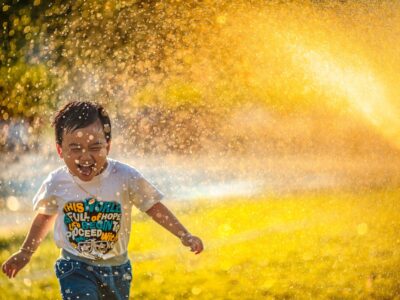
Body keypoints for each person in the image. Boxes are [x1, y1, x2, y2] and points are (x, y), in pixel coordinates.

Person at [1, 101, 204, 299]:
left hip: (117, 269)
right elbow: (45, 217)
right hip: (75, 266)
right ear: (60, 150)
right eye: (75, 148)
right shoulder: (57, 182)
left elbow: (153, 206)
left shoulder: (125, 176)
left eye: (94, 146)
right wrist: (26, 252)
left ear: (108, 145)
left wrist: (184, 234)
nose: (85, 156)